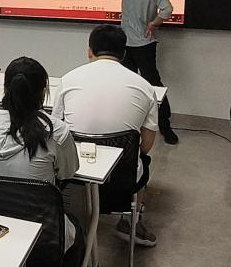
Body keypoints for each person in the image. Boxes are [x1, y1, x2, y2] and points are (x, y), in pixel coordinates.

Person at [52, 25, 159, 247]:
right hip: (122, 177)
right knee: (143, 160)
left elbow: (57, 131)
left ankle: (71, 219)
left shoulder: (68, 79)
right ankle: (131, 223)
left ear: (89, 51)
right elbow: (147, 145)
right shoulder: (145, 87)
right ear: (124, 53)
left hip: (74, 173)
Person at [0, 56, 80, 251]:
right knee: (79, 228)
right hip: (42, 236)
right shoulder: (56, 131)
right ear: (43, 92)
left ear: (6, 89)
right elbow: (67, 173)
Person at [81, 0, 178, 144]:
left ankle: (165, 126)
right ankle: (128, 121)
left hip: (143, 44)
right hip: (125, 42)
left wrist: (154, 23)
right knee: (126, 83)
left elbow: (167, 8)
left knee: (153, 84)